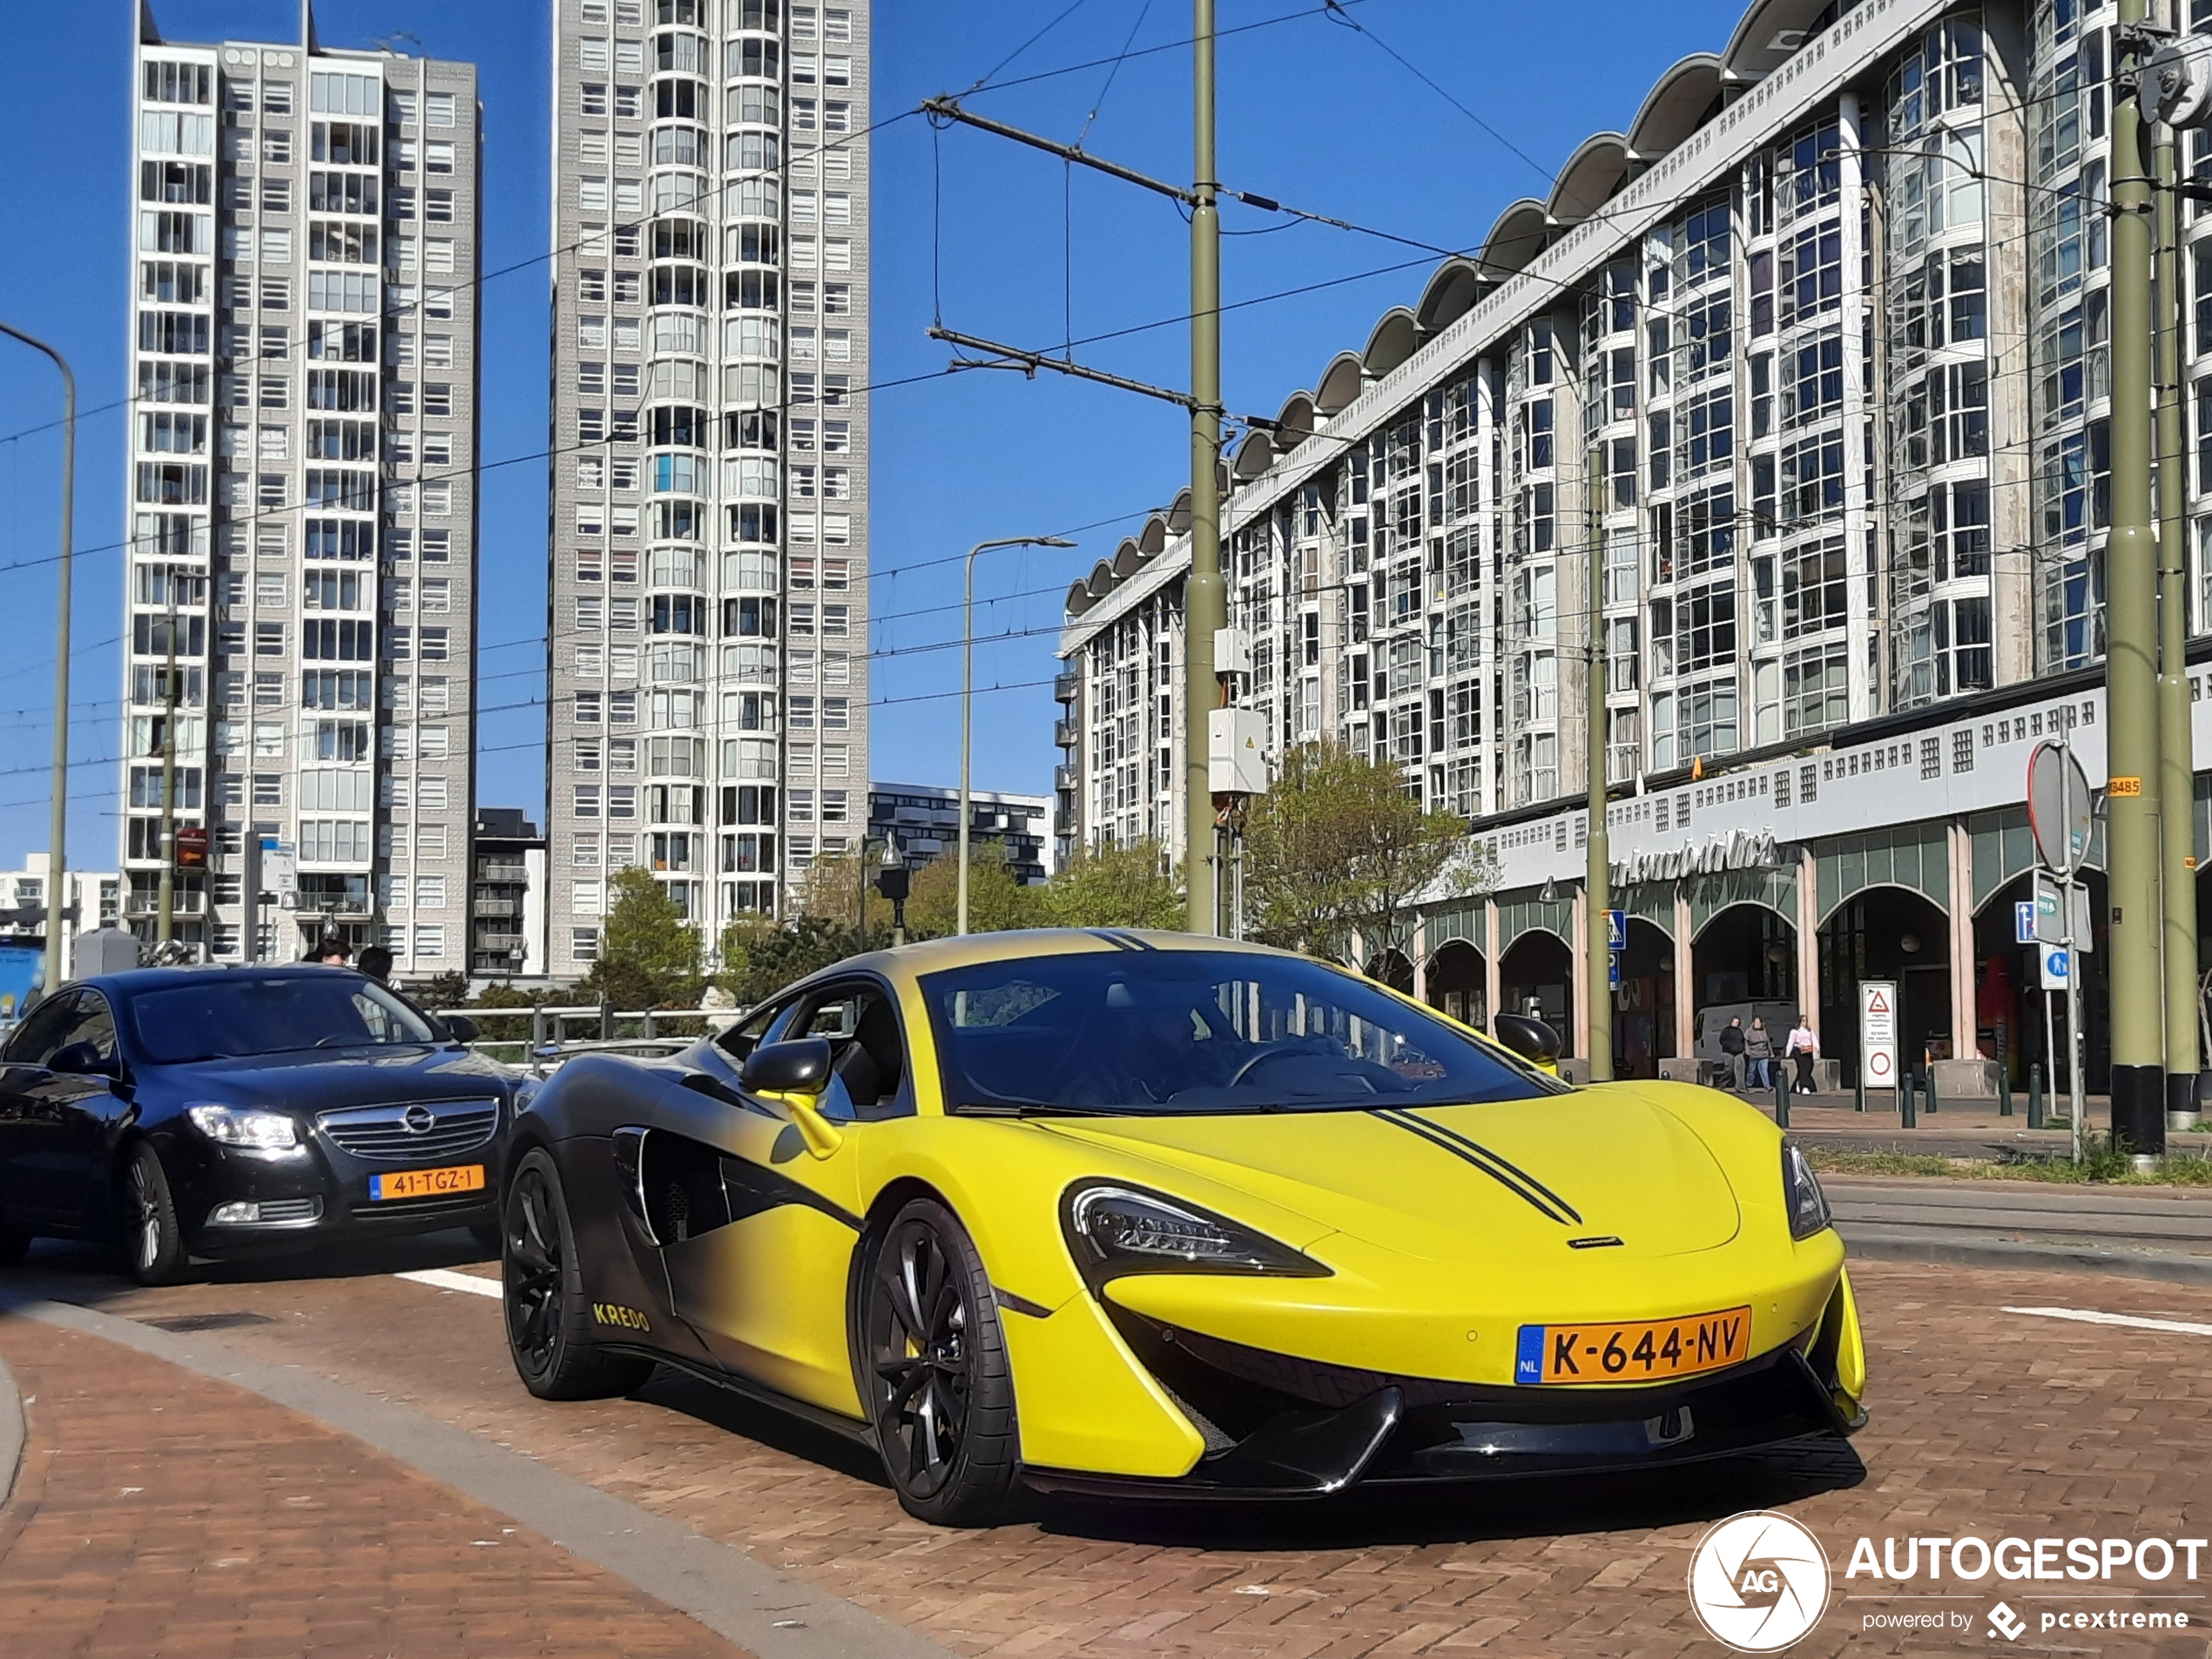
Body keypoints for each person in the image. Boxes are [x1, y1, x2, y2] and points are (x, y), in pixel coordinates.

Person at [1786, 1015, 1819, 1093]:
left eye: (1805, 1021)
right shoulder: (1794, 1032)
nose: (1804, 1023)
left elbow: (1814, 1039)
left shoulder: (1809, 1031)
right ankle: (1805, 1087)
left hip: (1808, 1051)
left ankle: (1798, 1084)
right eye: (1803, 1020)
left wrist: (1817, 1047)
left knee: (1809, 1068)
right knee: (1803, 1069)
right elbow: (1791, 1042)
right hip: (1799, 1051)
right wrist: (1788, 1052)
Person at [1745, 1017, 1775, 1090]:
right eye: (1756, 1023)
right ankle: (1748, 1085)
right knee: (1752, 1071)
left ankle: (1767, 1086)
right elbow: (1745, 1041)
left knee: (1764, 1070)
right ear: (1753, 1023)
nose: (1757, 1024)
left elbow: (1768, 1042)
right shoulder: (1749, 1031)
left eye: (1759, 1023)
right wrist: (1747, 1051)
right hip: (1754, 1054)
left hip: (1764, 1054)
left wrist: (1771, 1053)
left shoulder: (1764, 1031)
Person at [1718, 1015, 1747, 1090]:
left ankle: (1740, 1087)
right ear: (1731, 1022)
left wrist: (1742, 1049)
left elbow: (1742, 1041)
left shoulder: (1739, 1031)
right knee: (1729, 1069)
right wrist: (1729, 1047)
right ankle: (1722, 1084)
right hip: (1728, 1052)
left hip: (1738, 1053)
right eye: (1735, 1022)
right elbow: (1722, 1040)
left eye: (1737, 1022)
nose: (1736, 1024)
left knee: (1740, 1070)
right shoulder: (1726, 1030)